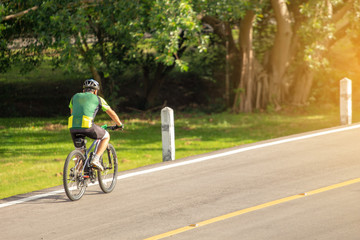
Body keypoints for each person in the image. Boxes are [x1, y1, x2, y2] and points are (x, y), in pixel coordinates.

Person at [68, 79, 123, 171]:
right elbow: (111, 113)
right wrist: (119, 124)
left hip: (73, 127)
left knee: (79, 150)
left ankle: (78, 175)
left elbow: (72, 113)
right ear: (95, 91)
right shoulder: (98, 99)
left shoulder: (74, 97)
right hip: (87, 126)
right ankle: (96, 159)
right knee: (106, 136)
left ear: (83, 90)